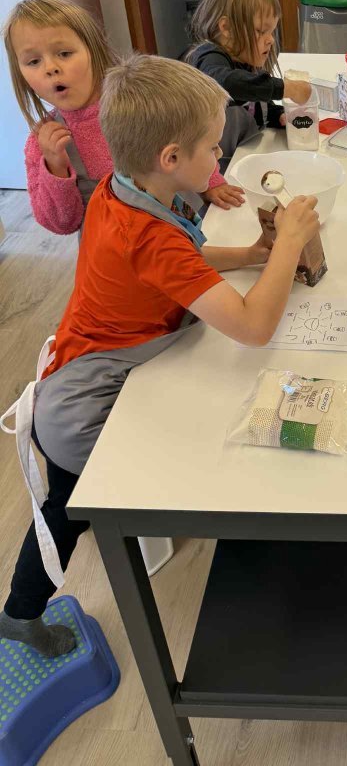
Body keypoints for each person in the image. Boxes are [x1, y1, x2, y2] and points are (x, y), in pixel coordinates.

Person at [0, 54, 320, 657]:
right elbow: (253, 327)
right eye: (212, 147)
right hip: (82, 407)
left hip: (81, 371)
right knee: (70, 510)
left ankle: (22, 609)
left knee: (67, 508)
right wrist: (289, 247)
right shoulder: (147, 232)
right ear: (171, 158)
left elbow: (177, 264)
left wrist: (254, 255)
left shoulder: (122, 190)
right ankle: (20, 614)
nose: (219, 155)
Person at [3, 0, 241, 235]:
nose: (50, 68)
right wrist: (55, 167)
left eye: (64, 53)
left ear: (93, 50)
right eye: (33, 61)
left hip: (182, 229)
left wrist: (210, 183)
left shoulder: (137, 98)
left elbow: (194, 138)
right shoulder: (41, 144)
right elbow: (63, 224)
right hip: (118, 249)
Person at [185, 0, 313, 165]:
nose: (271, 40)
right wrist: (287, 88)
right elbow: (226, 85)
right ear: (227, 28)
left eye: (272, 31)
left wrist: (276, 115)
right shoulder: (210, 59)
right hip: (213, 169)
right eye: (261, 31)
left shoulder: (244, 58)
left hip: (243, 157)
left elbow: (254, 102)